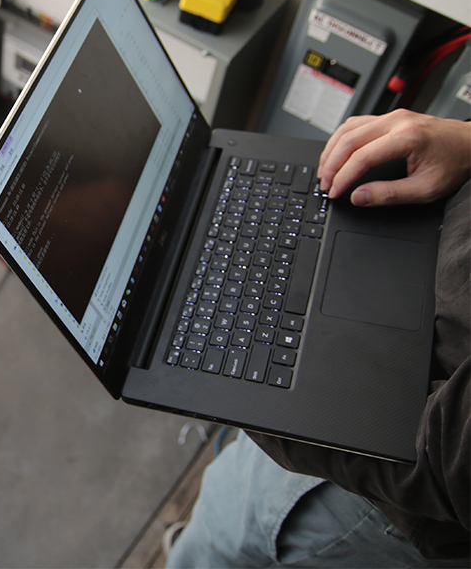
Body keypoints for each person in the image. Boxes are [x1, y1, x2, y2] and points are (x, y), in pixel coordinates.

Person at [165, 109, 470, 568]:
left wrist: (285, 416)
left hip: (414, 443)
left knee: (226, 524)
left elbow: (449, 460)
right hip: (431, 220)